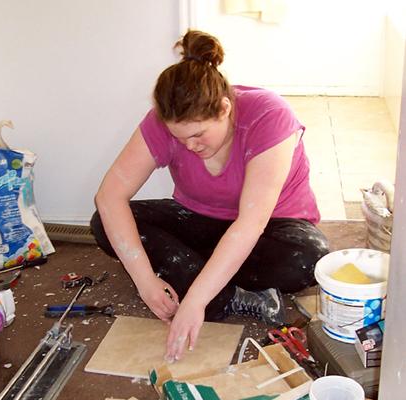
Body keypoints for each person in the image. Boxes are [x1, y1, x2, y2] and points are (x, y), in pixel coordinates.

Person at [91, 30, 329, 363]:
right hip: (201, 221)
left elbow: (250, 224)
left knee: (310, 258)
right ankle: (229, 292)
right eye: (180, 136)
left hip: (271, 228)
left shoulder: (268, 117)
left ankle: (202, 281)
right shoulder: (162, 123)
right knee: (105, 222)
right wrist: (144, 280)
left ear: (224, 108)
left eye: (199, 134)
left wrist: (194, 301)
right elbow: (109, 196)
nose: (190, 146)